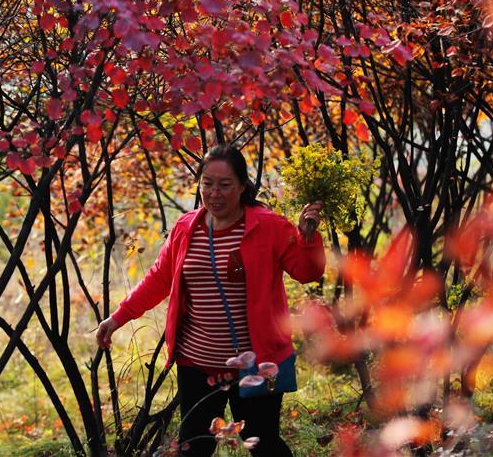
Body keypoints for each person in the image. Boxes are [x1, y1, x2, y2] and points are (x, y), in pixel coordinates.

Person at [95, 144, 324, 455]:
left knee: (264, 444)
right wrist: (117, 318)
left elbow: (307, 272)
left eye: (225, 185)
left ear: (243, 186)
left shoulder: (269, 227)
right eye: (207, 183)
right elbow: (159, 279)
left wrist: (308, 238)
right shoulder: (186, 228)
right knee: (195, 447)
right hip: (198, 365)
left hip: (256, 363)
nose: (215, 193)